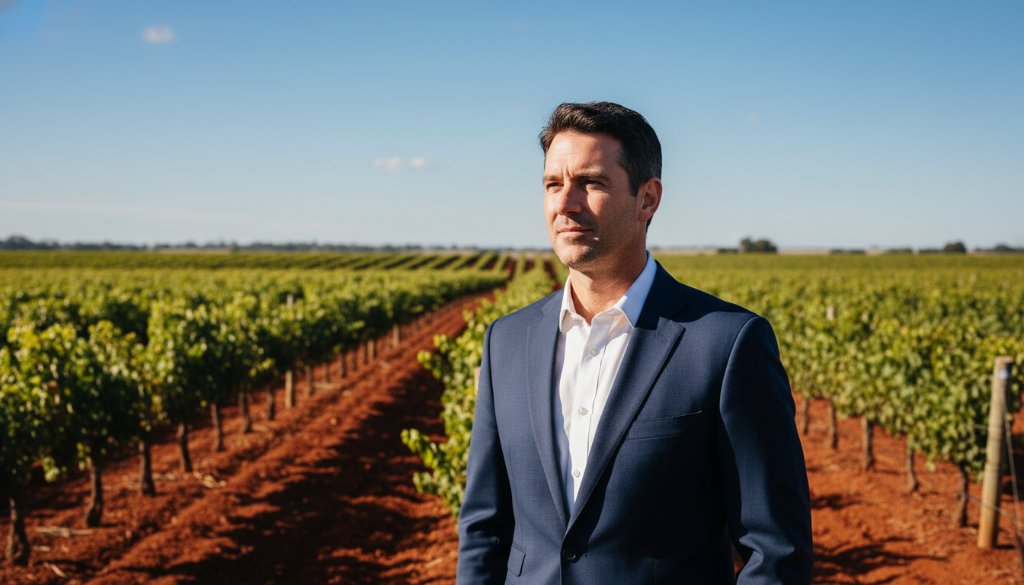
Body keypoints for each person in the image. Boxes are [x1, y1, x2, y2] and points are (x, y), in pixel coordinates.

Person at [456, 101, 813, 584]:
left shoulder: (727, 343)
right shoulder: (506, 341)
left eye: (591, 183)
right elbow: (484, 530)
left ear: (647, 199)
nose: (566, 203)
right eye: (553, 184)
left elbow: (776, 552)